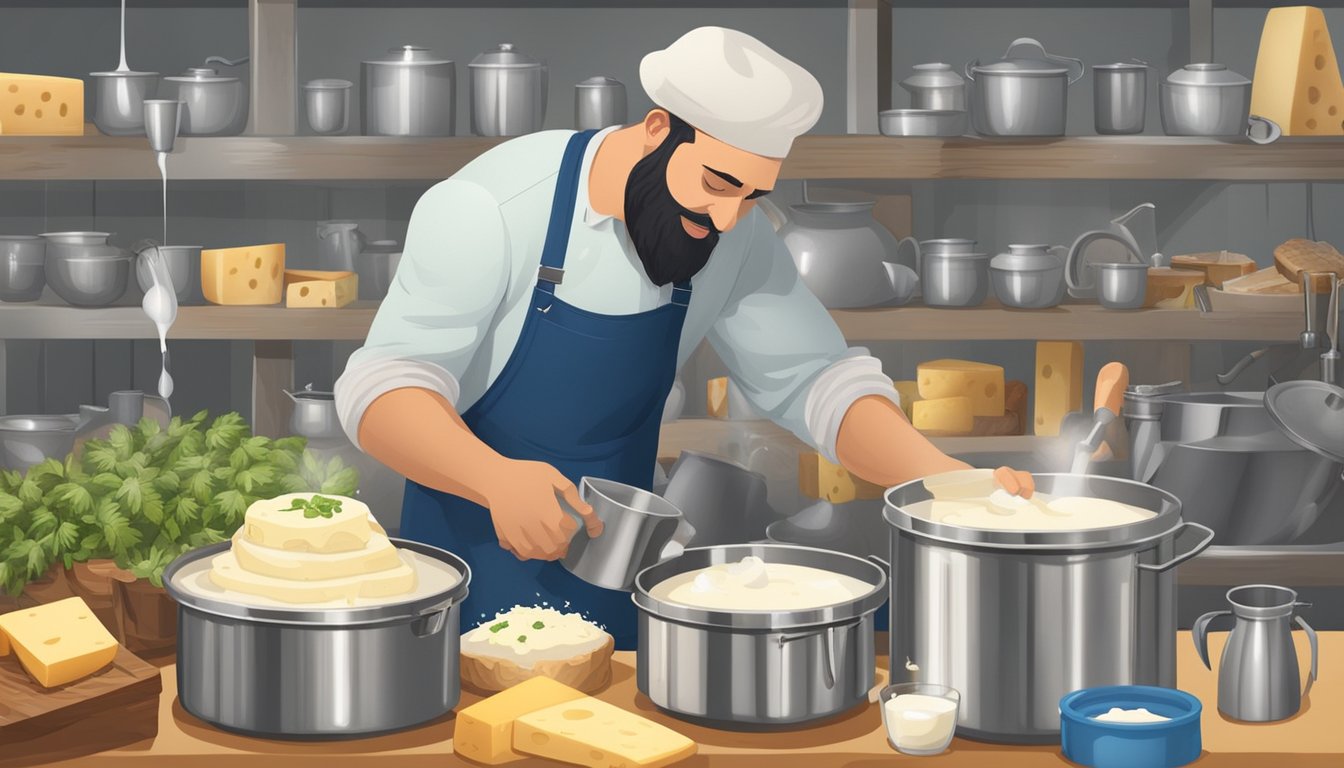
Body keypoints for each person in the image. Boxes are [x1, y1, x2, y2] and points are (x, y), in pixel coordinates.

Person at [334, 26, 1032, 649]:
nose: (727, 219)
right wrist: (492, 480)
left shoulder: (735, 237)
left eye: (753, 195)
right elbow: (382, 390)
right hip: (465, 574)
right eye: (717, 183)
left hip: (612, 578)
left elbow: (816, 381)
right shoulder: (491, 207)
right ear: (657, 128)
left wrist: (939, 477)